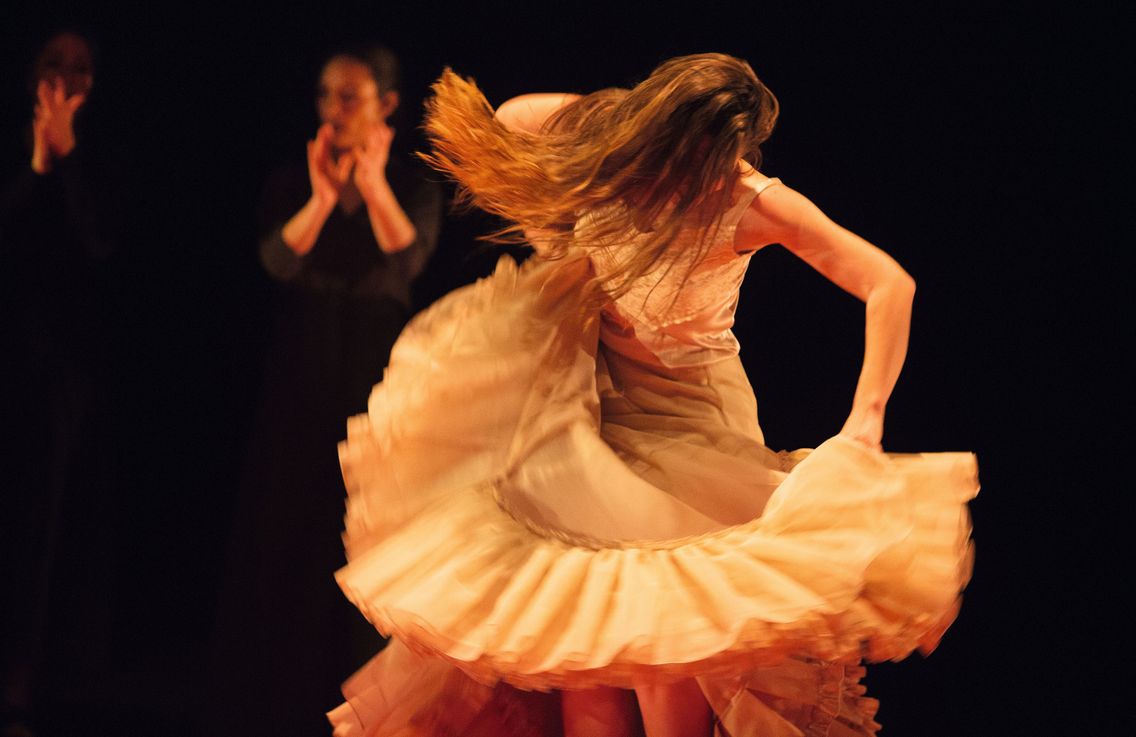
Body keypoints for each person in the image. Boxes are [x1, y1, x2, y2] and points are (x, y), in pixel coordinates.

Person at [326, 53, 978, 737]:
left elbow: (889, 284)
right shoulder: (612, 139)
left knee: (668, 663)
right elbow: (514, 118)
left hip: (694, 428)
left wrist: (865, 420)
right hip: (599, 420)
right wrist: (591, 144)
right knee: (591, 657)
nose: (678, 184)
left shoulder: (747, 200)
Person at [210, 44, 442, 737]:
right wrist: (321, 195)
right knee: (287, 524)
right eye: (326, 97)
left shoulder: (411, 182)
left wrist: (371, 187)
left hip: (374, 371)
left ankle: (358, 704)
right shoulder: (292, 179)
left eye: (350, 97)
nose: (333, 112)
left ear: (386, 106)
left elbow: (409, 259)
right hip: (301, 366)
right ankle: (274, 700)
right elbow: (278, 258)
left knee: (361, 535)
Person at [1, 29, 120, 736]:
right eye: (54, 63)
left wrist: (64, 157)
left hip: (63, 369)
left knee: (37, 525)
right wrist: (37, 165)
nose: (67, 78)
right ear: (30, 73)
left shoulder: (101, 158)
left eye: (81, 67)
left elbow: (103, 239)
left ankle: (21, 678)